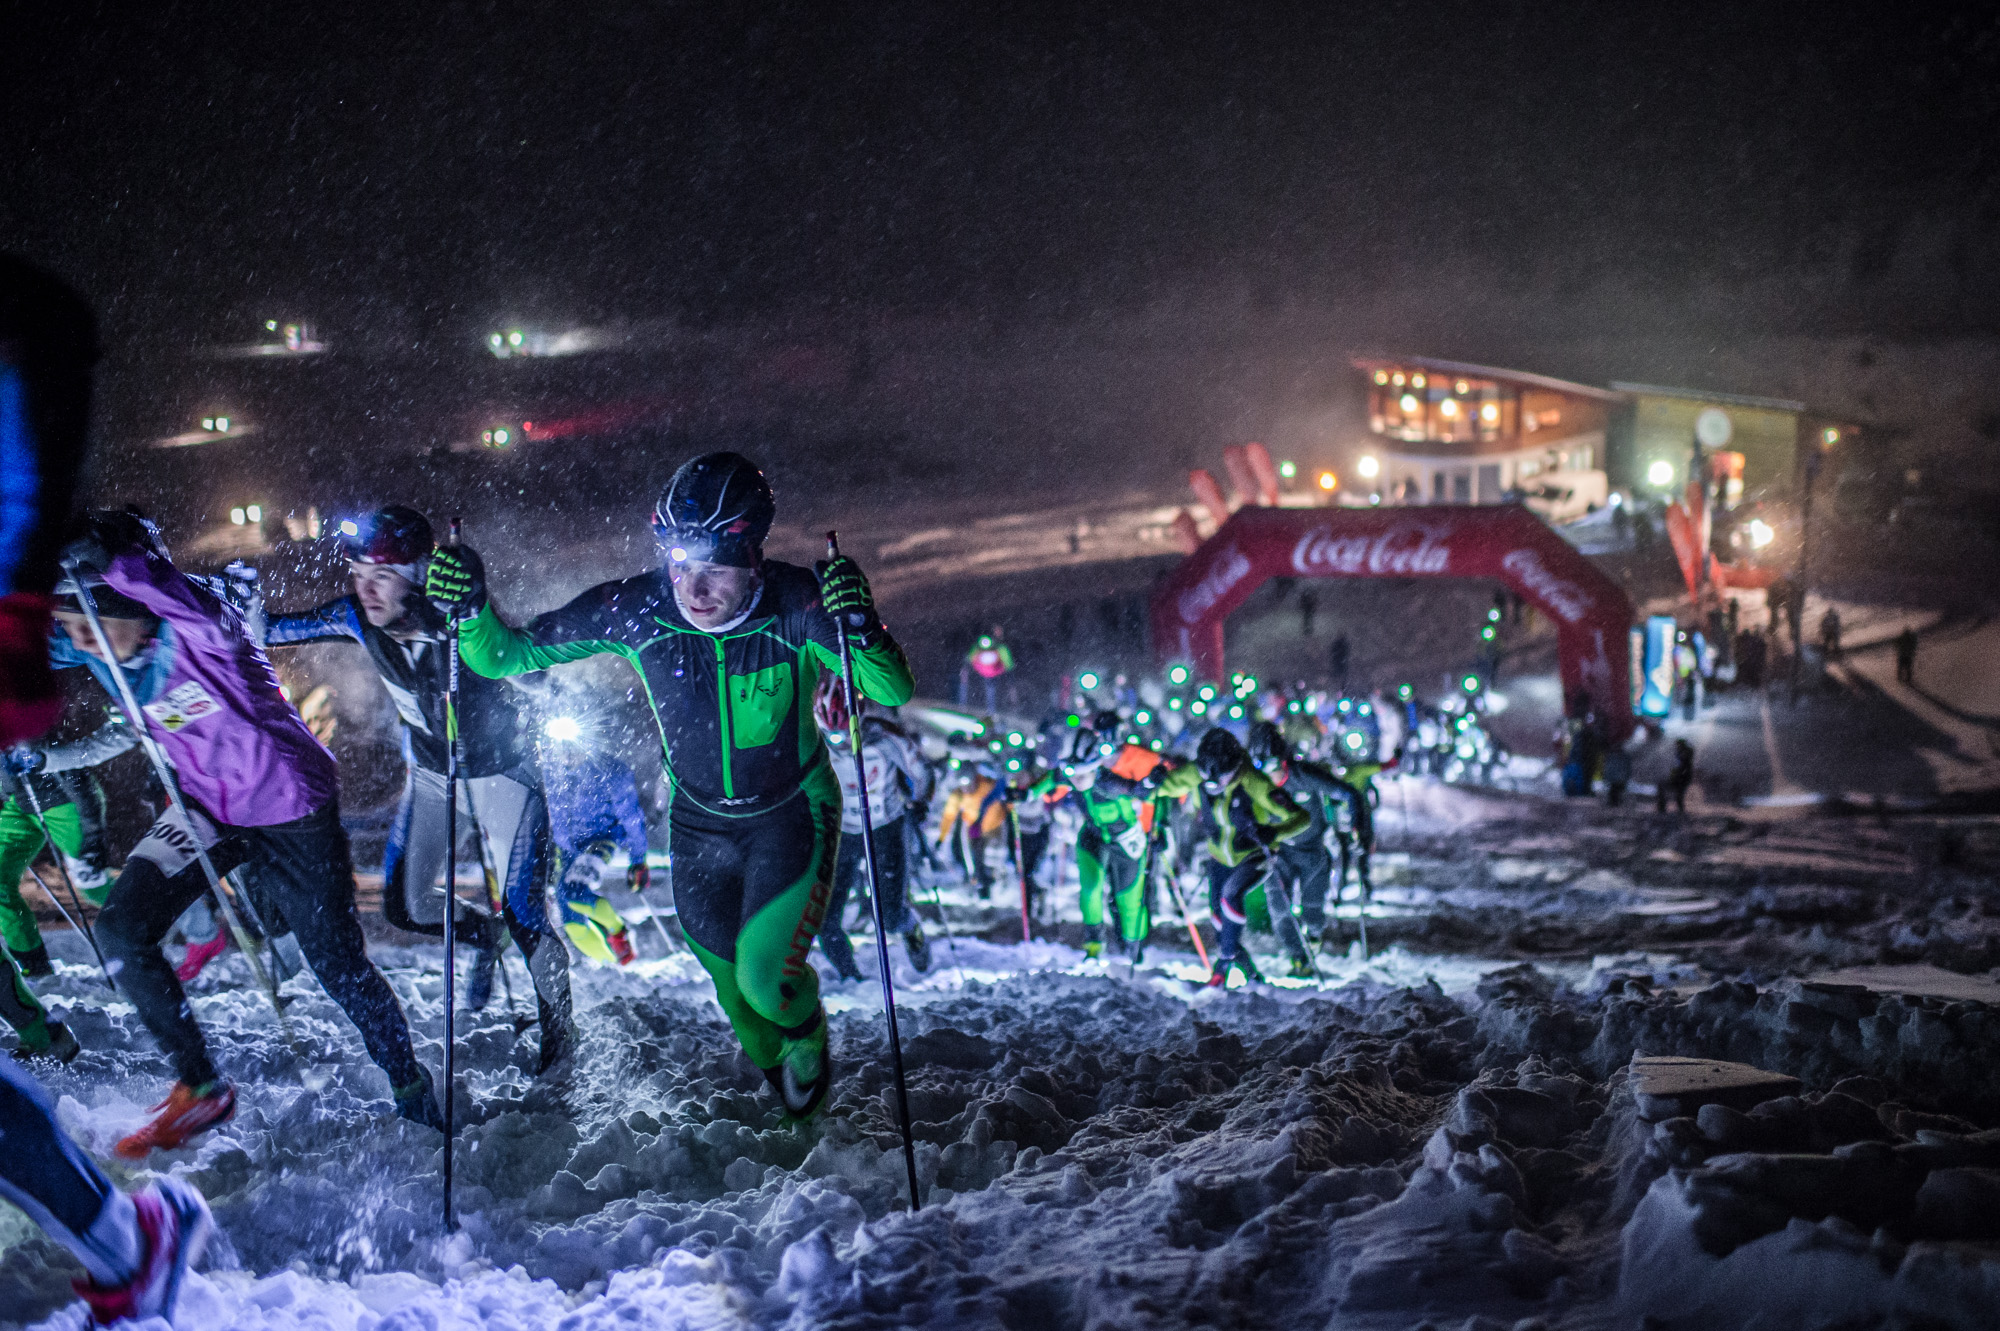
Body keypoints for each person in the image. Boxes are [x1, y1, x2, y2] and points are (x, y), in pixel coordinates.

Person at [428, 451, 914, 1120]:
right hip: (697, 820)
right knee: (729, 986)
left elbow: (892, 689)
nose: (694, 587)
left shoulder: (797, 602)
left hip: (789, 812)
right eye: (679, 563)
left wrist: (859, 625)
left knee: (766, 979)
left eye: (714, 569)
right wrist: (472, 609)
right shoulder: (640, 608)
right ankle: (783, 1081)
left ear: (754, 560)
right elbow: (508, 655)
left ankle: (806, 1036)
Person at [39, 512, 440, 1155]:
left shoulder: (205, 630)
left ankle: (409, 1082)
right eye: (73, 630)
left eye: (92, 625)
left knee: (336, 964)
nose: (81, 642)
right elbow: (29, 640)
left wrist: (110, 558)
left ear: (136, 608)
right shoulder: (106, 636)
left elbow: (176, 592)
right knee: (119, 928)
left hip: (289, 806)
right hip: (207, 807)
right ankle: (198, 1087)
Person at [262, 507, 574, 1069]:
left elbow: (533, 674)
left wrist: (472, 607)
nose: (366, 590)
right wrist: (210, 605)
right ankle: (485, 935)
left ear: (422, 573)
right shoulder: (358, 617)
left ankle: (558, 1026)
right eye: (357, 574)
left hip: (503, 775)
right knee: (405, 907)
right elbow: (270, 628)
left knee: (527, 915)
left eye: (382, 576)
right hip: (433, 777)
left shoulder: (456, 618)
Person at [1153, 727, 1311, 987]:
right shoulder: (1199, 772)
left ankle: (1223, 966)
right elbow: (1165, 788)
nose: (1215, 782)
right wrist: (1155, 779)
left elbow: (1301, 817)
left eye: (1223, 776)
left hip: (1253, 854)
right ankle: (1251, 975)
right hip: (1219, 857)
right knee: (1219, 924)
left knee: (1231, 895)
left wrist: (1274, 832)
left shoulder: (1254, 782)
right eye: (1208, 776)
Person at [811, 675, 932, 980]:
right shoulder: (811, 738)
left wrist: (920, 802)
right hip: (841, 832)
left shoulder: (886, 737)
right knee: (826, 918)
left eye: (844, 735)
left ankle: (908, 925)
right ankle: (852, 977)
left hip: (885, 827)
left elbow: (922, 772)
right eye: (831, 736)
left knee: (888, 916)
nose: (838, 744)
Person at [1042, 714, 1165, 962]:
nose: (1077, 781)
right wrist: (1026, 794)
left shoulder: (1115, 777)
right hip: (1096, 835)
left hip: (1130, 838)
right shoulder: (1075, 773)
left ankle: (1134, 945)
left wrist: (1158, 825)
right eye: (1073, 775)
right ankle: (1097, 944)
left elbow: (1147, 791)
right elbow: (1045, 786)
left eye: (1083, 774)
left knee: (1128, 897)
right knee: (1093, 891)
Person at [536, 709, 648, 968]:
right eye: (561, 747)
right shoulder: (550, 772)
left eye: (573, 747)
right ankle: (613, 966)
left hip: (600, 840)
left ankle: (618, 931)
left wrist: (638, 858)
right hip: (567, 847)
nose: (567, 754)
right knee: (573, 924)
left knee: (574, 892)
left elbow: (631, 816)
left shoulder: (611, 772)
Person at [1245, 722, 1342, 975]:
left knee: (1312, 910)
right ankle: (1298, 958)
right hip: (1279, 854)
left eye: (1274, 767)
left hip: (1312, 850)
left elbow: (1341, 794)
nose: (1271, 777)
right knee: (1279, 908)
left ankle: (1314, 938)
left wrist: (1349, 826)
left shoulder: (1305, 775)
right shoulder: (1256, 783)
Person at [937, 764, 1005, 898]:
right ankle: (979, 884)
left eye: (969, 785)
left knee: (993, 857)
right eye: (963, 787)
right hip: (975, 830)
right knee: (974, 857)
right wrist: (942, 837)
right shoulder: (958, 795)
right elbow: (949, 815)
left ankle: (996, 882)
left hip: (994, 827)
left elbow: (1001, 794)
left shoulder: (986, 787)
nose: (967, 789)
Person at [1658, 738, 1695, 814]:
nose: (1677, 747)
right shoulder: (1683, 755)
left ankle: (1664, 808)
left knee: (1679, 796)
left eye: (1678, 745)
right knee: (1678, 796)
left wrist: (1677, 775)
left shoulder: (1685, 755)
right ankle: (1663, 808)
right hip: (1681, 778)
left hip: (1682, 778)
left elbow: (1684, 763)